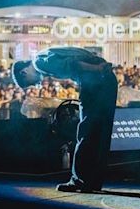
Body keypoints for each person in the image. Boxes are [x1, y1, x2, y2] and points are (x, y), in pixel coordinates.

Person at [12, 47, 117, 193]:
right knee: (101, 134)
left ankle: (79, 180)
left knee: (87, 132)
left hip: (96, 80)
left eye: (30, 83)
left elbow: (71, 64)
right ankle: (93, 181)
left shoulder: (39, 62)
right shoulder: (45, 54)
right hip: (107, 80)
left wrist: (96, 68)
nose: (36, 84)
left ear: (23, 72)